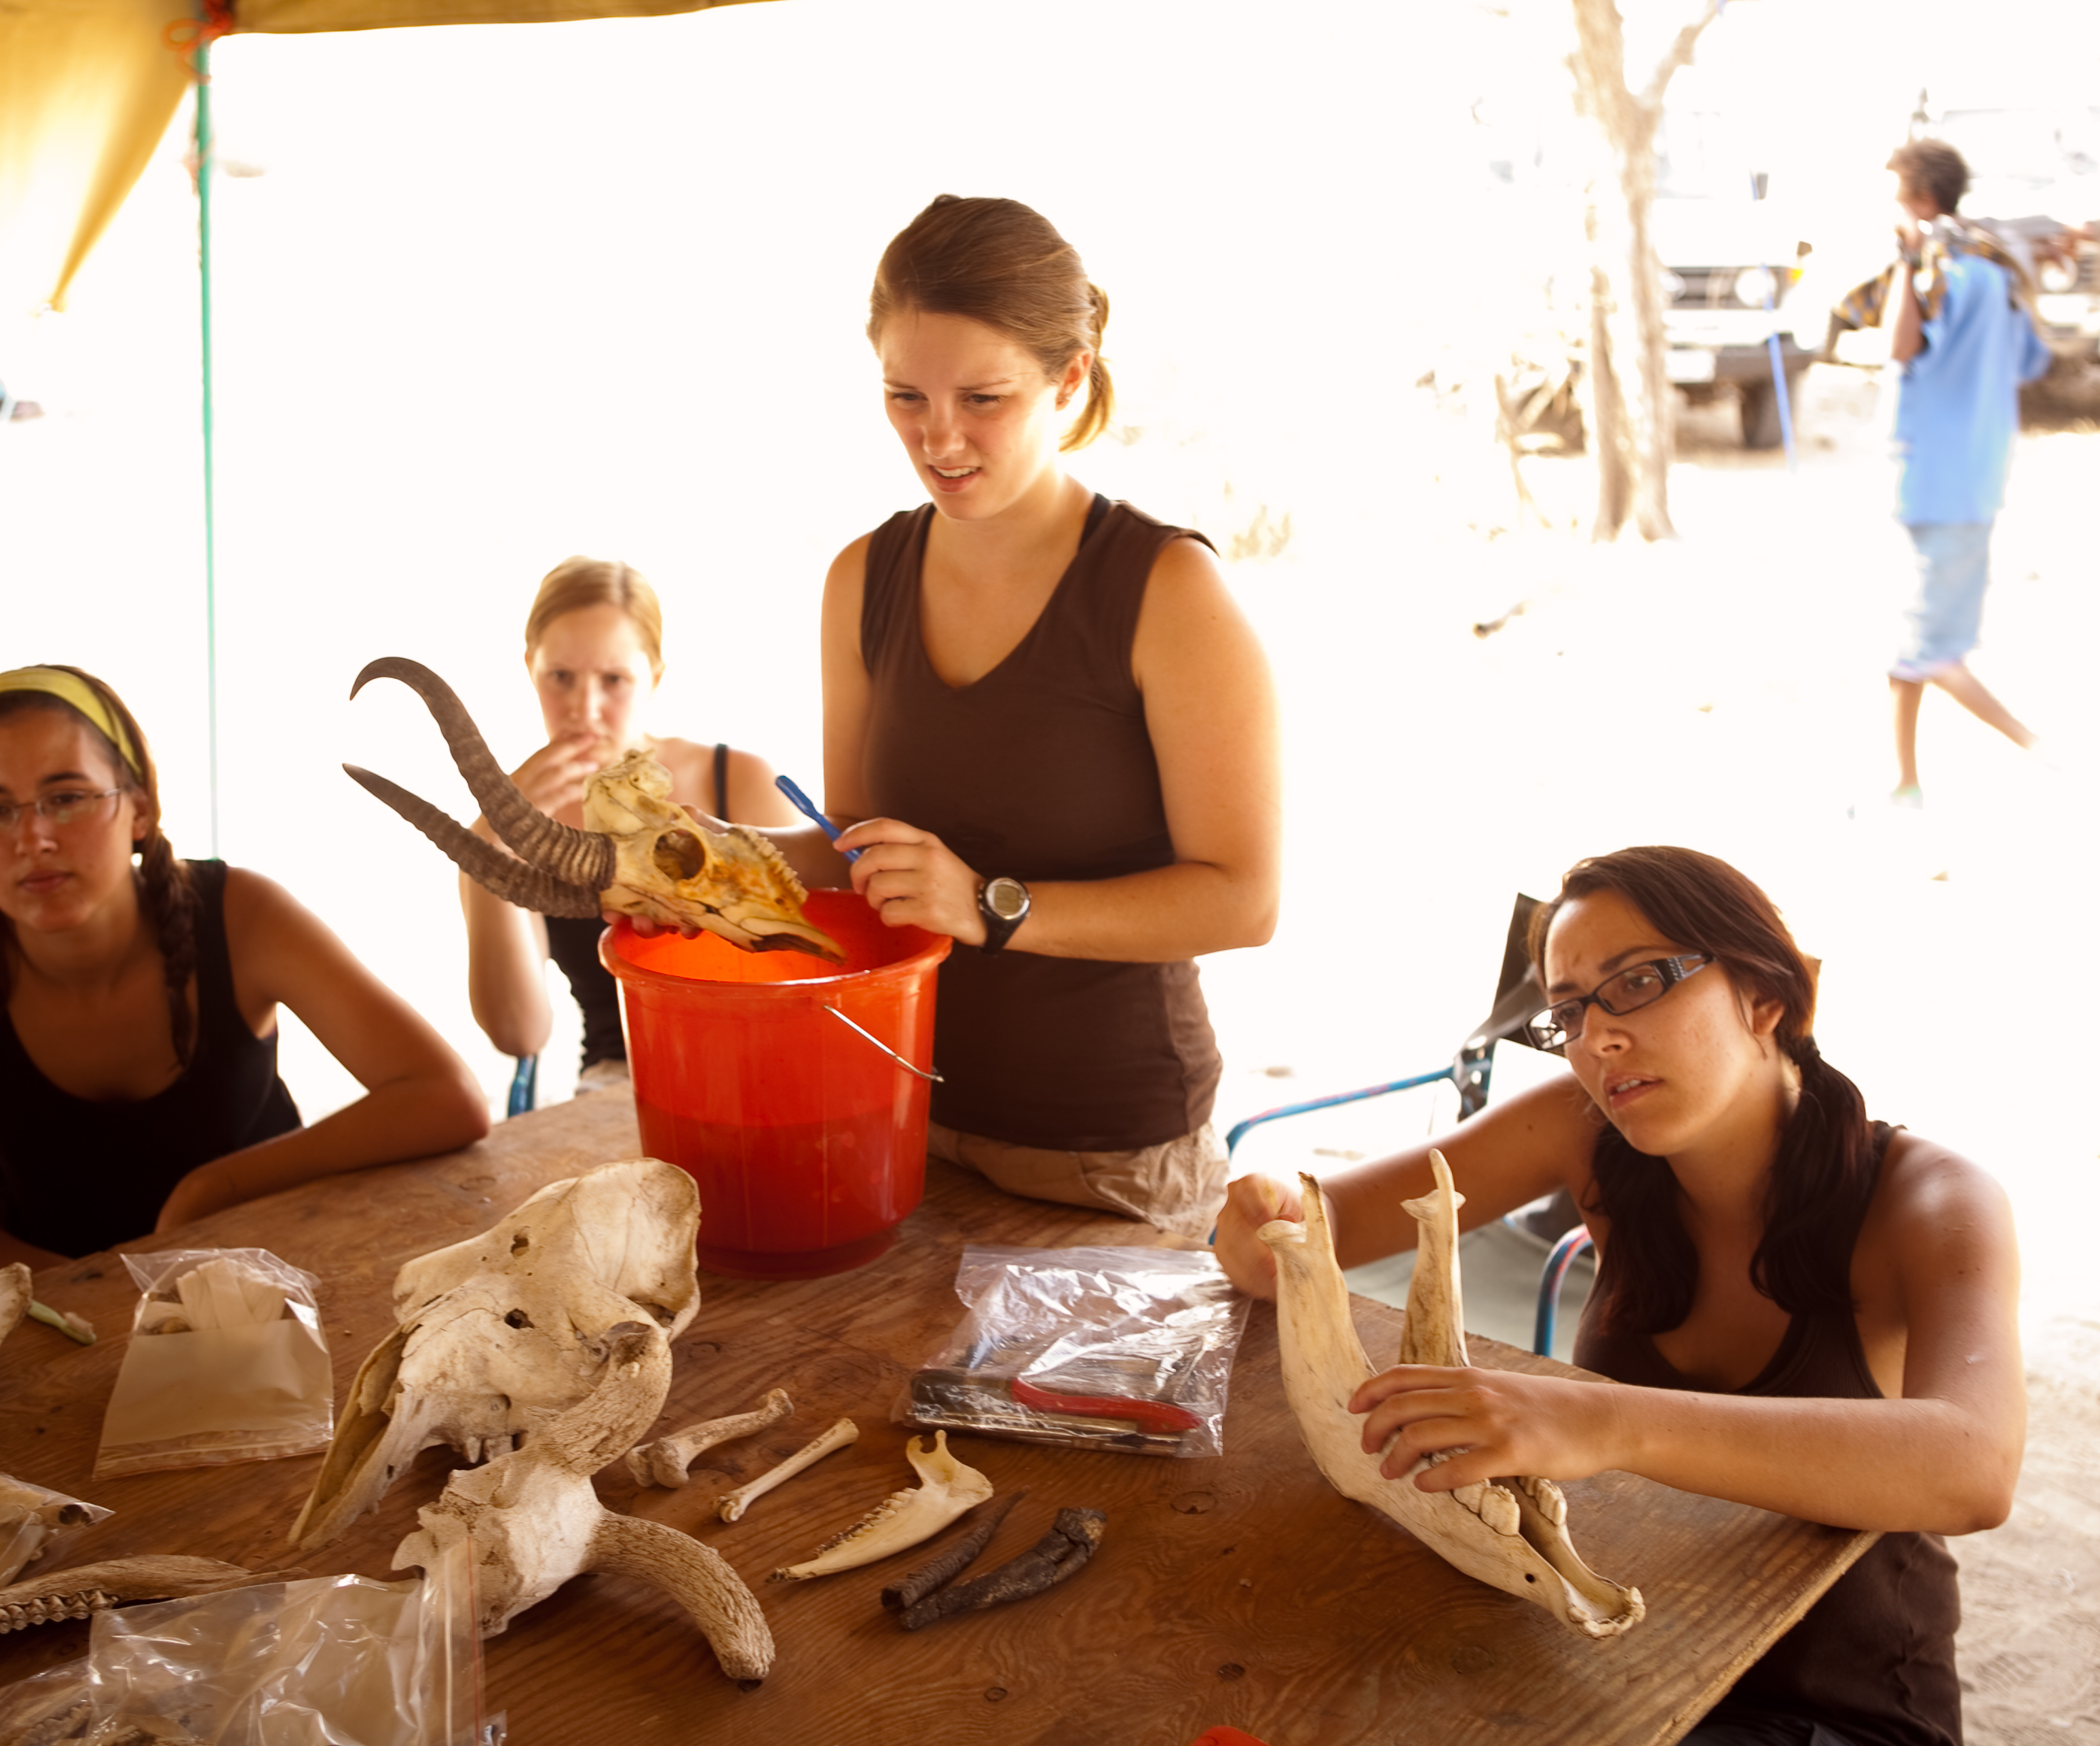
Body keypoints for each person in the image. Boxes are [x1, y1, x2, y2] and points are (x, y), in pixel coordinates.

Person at [1214, 846, 2022, 1746]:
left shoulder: (1929, 1198)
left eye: (1636, 982)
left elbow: (1972, 1464)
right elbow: (1309, 1235)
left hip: (1832, 1708)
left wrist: (1599, 1422)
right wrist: (1261, 1221)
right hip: (1620, 1652)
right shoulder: (1585, 1122)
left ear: (1765, 997)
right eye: (1566, 1010)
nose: (1595, 1038)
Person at [773, 194, 1279, 1241]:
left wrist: (992, 907)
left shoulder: (1166, 590)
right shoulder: (859, 577)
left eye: (984, 397)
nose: (938, 436)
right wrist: (685, 854)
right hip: (904, 1115)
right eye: (903, 394)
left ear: (1068, 378)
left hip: (1109, 1159)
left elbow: (1243, 900)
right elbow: (853, 850)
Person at [0, 665, 489, 1269]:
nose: (33, 839)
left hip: (267, 1290)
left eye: (67, 796)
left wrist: (215, 1187)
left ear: (140, 807)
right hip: (43, 1317)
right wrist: (78, 1296)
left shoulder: (241, 914)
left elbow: (447, 1097)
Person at [459, 557, 801, 1091]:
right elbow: (519, 1034)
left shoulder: (735, 780)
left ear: (654, 678)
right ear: (530, 668)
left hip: (765, 1065)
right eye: (561, 678)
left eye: (614, 679)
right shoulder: (515, 820)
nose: (584, 709)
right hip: (615, 1084)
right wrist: (486, 852)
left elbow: (811, 965)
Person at [1875, 138, 2053, 807]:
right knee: (1905, 645)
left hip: (1933, 485)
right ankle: (1902, 783)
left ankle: (2048, 755)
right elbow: (2030, 362)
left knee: (1927, 652)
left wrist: (1900, 259)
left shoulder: (1935, 271)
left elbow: (1896, 346)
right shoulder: (1998, 274)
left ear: (1919, 202)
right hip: (1972, 478)